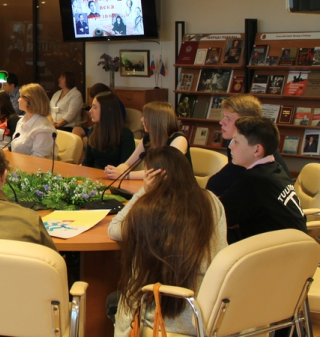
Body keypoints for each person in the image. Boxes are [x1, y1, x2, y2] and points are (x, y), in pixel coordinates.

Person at [108, 147, 227, 337]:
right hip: (206, 312)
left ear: (152, 176)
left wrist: (144, 191)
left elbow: (114, 230)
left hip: (160, 316)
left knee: (113, 301)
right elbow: (220, 253)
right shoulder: (211, 201)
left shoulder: (147, 208)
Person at [221, 117, 307, 244]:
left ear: (257, 150)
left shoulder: (253, 179)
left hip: (274, 252)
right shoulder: (276, 169)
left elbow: (218, 217)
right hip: (297, 248)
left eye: (236, 141)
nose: (230, 145)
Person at [206, 94, 291, 198]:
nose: (221, 122)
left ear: (245, 122)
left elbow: (215, 186)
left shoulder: (250, 151)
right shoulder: (246, 143)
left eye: (228, 119)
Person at [105, 102, 190, 180]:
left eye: (145, 117)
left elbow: (161, 171)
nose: (141, 119)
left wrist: (124, 175)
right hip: (155, 187)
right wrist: (115, 171)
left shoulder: (179, 139)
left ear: (156, 120)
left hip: (178, 189)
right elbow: (128, 164)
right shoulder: (147, 138)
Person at [82, 92, 135, 170]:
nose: (90, 111)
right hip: (94, 174)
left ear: (107, 110)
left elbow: (125, 167)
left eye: (95, 108)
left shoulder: (126, 135)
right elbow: (87, 162)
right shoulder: (93, 130)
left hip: (114, 175)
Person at [10, 84, 57, 159]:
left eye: (21, 97)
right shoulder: (21, 121)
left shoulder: (43, 129)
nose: (18, 100)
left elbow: (38, 159)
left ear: (29, 101)